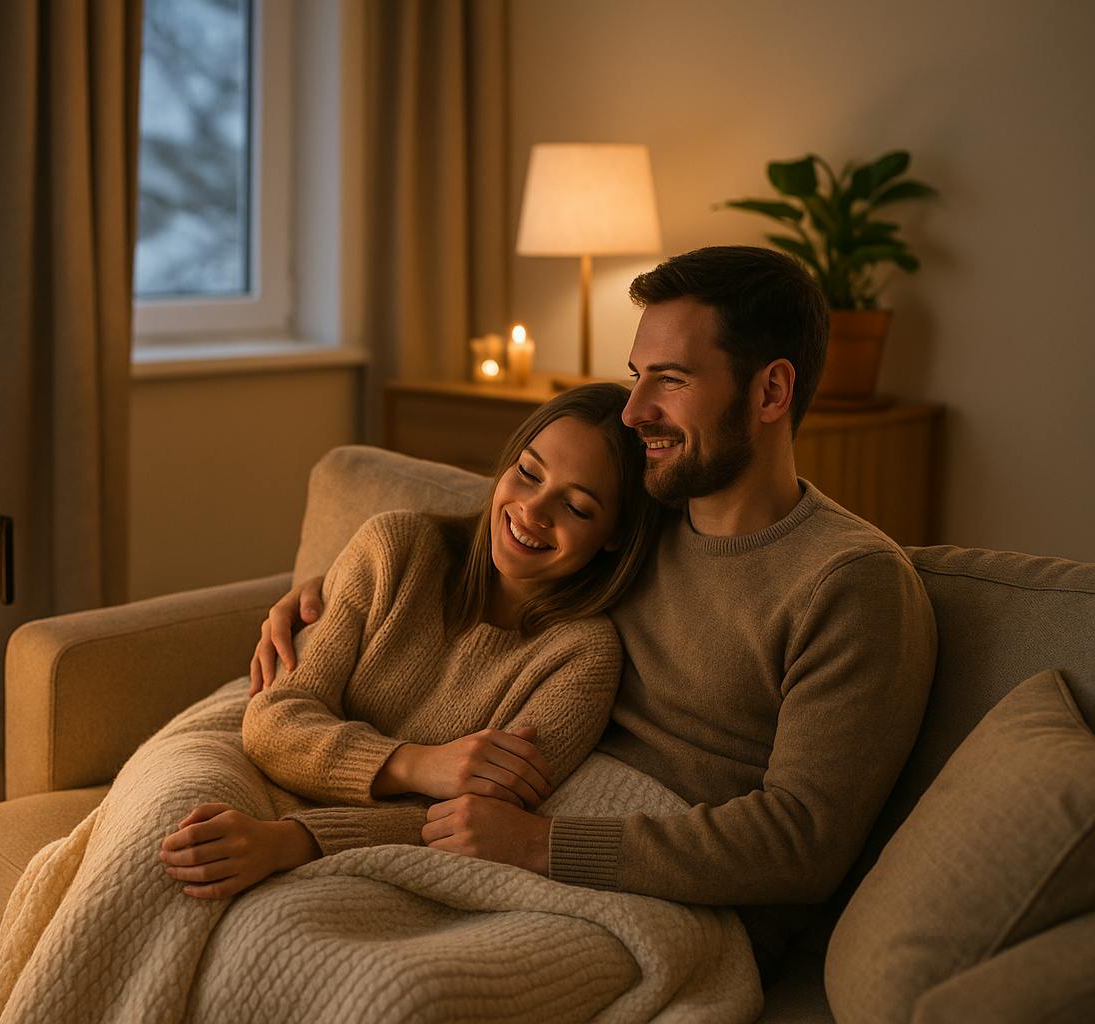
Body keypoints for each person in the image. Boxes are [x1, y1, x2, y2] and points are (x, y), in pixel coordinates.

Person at [251, 245, 938, 973]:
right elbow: (491, 523)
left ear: (770, 393)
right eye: (639, 376)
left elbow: (800, 842)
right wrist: (323, 590)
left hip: (658, 896)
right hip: (505, 835)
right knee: (265, 935)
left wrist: (541, 844)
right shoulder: (640, 520)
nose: (636, 410)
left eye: (671, 381)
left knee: (385, 986)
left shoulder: (852, 585)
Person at [156, 383, 663, 899]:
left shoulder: (584, 657)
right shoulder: (396, 547)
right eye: (528, 473)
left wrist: (291, 842)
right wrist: (420, 764)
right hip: (253, 772)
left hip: (347, 849)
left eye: (577, 507)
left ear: (615, 534)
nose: (533, 511)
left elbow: (473, 825)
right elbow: (272, 720)